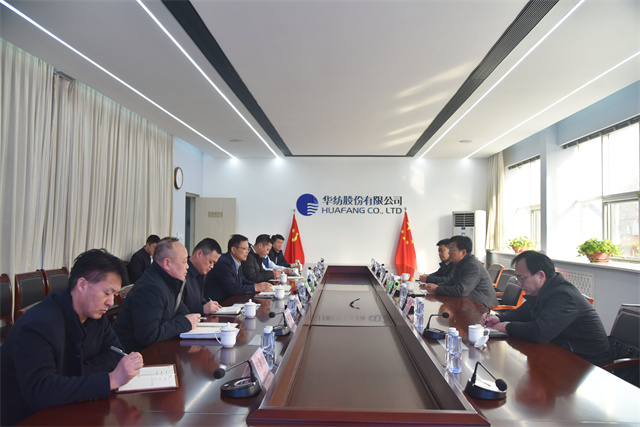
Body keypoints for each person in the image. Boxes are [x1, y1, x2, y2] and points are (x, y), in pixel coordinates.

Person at [1, 249, 144, 426]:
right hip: (29, 419)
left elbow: (116, 354)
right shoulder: (38, 325)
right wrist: (111, 379)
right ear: (82, 285)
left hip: (71, 407)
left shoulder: (95, 315)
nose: (111, 302)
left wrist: (69, 376)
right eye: (107, 293)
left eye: (114, 295)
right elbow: (40, 392)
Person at [483, 251, 611, 365]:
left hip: (586, 363)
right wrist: (499, 318)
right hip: (561, 351)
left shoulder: (564, 296)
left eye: (522, 278)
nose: (519, 284)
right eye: (518, 279)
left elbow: (540, 332)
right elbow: (523, 312)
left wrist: (507, 326)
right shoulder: (545, 289)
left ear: (541, 275)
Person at [114, 237, 201, 352]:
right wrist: (185, 323)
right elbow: (148, 335)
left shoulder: (170, 282)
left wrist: (184, 320)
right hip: (138, 354)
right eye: (184, 261)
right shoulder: (150, 288)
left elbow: (182, 311)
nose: (187, 266)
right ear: (167, 263)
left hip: (159, 348)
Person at [421, 235, 497, 307]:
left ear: (463, 252)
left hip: (483, 307)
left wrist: (437, 289)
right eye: (449, 249)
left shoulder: (472, 266)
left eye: (451, 250)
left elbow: (461, 290)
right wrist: (436, 286)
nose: (449, 252)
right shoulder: (461, 263)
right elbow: (452, 282)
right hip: (469, 303)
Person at [204, 234, 272, 302]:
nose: (247, 252)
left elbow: (242, 280)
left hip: (230, 300)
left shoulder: (237, 261)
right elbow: (233, 288)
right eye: (245, 249)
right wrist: (255, 288)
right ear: (234, 249)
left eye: (248, 249)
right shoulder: (224, 262)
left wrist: (257, 285)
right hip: (220, 303)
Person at [183, 238, 222, 315]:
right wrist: (202, 309)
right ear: (199, 254)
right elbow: (177, 310)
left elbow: (198, 299)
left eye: (214, 263)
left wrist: (209, 304)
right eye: (210, 262)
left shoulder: (201, 272)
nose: (212, 266)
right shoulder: (182, 273)